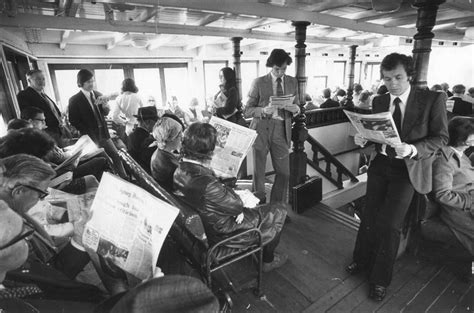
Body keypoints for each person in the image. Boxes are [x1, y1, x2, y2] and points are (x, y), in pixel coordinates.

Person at [346, 53, 448, 301]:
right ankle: (361, 260)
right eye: (387, 78)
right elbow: (377, 132)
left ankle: (380, 279)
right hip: (381, 164)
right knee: (369, 216)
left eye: (398, 77)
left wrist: (412, 149)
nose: (392, 83)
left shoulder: (432, 99)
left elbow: (441, 138)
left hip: (408, 170)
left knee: (390, 225)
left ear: (409, 75)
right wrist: (363, 139)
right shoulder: (380, 100)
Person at [173, 123, 288, 272]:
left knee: (257, 198)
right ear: (209, 152)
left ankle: (264, 247)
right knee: (279, 209)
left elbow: (217, 194)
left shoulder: (180, 169)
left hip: (208, 218)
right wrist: (236, 202)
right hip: (224, 231)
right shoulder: (207, 183)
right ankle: (268, 260)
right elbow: (237, 205)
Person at [244, 48, 300, 205]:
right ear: (271, 66)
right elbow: (247, 110)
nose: (281, 72)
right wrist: (262, 110)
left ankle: (277, 207)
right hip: (261, 128)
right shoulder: (258, 82)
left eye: (284, 69)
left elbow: (297, 105)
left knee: (284, 172)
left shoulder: (292, 81)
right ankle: (259, 206)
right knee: (259, 172)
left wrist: (295, 109)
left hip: (282, 130)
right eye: (277, 69)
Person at [431, 117, 474, 280]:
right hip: (460, 211)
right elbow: (442, 194)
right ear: (463, 139)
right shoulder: (444, 161)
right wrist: (470, 201)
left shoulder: (461, 154)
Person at [16, 69, 65, 145]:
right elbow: (27, 116)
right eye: (38, 79)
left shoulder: (43, 94)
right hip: (45, 133)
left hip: (57, 131)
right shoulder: (24, 95)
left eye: (43, 79)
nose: (42, 81)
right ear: (29, 80)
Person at [68, 69, 110, 144]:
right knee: (101, 155)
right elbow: (73, 120)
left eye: (92, 81)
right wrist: (86, 129)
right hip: (89, 136)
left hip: (104, 133)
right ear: (81, 83)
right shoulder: (74, 100)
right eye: (88, 82)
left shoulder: (99, 95)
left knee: (115, 154)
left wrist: (105, 107)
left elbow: (105, 113)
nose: (91, 84)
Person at [150, 116, 183, 191]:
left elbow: (170, 157)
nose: (181, 138)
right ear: (171, 138)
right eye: (179, 135)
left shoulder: (159, 152)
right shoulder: (173, 167)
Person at [127, 106, 159, 173]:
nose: (156, 125)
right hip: (146, 171)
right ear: (148, 122)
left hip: (137, 171)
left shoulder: (131, 135)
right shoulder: (148, 139)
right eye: (156, 122)